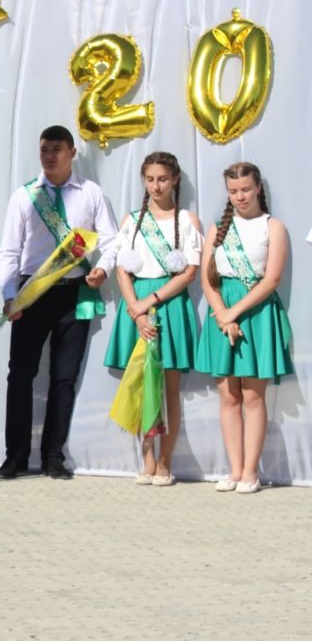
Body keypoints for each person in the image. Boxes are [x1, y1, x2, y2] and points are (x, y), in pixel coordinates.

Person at [0, 125, 118, 480]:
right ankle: (15, 456)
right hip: (32, 292)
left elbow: (111, 240)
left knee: (64, 378)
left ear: (72, 153)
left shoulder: (91, 193)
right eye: (44, 150)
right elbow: (9, 250)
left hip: (74, 292)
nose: (49, 156)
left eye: (57, 150)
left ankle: (53, 456)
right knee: (20, 376)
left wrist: (103, 269)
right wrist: (9, 295)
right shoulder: (25, 196)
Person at [102, 152, 202, 485]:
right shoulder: (132, 220)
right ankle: (146, 458)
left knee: (170, 388)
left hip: (168, 304)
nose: (156, 186)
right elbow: (121, 269)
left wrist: (150, 302)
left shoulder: (187, 220)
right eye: (150, 179)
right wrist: (135, 309)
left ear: (175, 179)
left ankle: (165, 461)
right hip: (137, 304)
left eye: (163, 179)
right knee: (141, 382)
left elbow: (189, 272)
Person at [194, 162, 293, 494]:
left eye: (246, 189)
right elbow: (207, 280)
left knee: (252, 395)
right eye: (233, 191)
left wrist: (233, 313)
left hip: (256, 314)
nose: (240, 196)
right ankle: (234, 470)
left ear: (258, 188)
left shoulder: (273, 227)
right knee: (228, 395)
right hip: (221, 314)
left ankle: (251, 472)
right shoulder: (217, 228)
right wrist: (222, 314)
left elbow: (272, 279)